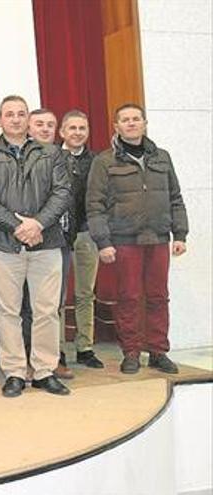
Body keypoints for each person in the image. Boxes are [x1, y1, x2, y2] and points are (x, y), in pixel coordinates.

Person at [0, 95, 71, 398]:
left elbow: (62, 192)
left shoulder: (52, 153)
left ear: (28, 119)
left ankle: (43, 371)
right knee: (7, 313)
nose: (15, 119)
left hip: (47, 243)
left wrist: (38, 224)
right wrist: (18, 227)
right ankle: (14, 372)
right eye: (9, 114)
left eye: (20, 114)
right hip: (3, 247)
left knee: (46, 311)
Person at [86, 103, 188, 375]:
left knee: (158, 297)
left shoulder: (162, 158)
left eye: (136, 119)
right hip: (123, 240)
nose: (131, 124)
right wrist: (103, 242)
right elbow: (94, 205)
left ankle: (158, 351)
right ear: (116, 127)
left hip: (157, 239)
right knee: (128, 297)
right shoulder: (104, 161)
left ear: (145, 124)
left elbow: (175, 198)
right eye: (125, 120)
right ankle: (130, 352)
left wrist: (180, 234)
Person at [24, 108, 74, 379]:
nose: (45, 129)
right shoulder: (18, 157)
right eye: (39, 124)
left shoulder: (60, 157)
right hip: (23, 238)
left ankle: (54, 358)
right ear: (28, 127)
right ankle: (29, 360)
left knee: (53, 305)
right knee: (25, 306)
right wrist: (34, 225)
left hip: (58, 240)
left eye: (50, 125)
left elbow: (66, 196)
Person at [59, 110, 104, 370]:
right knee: (57, 296)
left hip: (87, 233)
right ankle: (57, 350)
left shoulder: (97, 161)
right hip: (59, 235)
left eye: (82, 128)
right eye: (72, 128)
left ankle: (85, 347)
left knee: (85, 293)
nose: (77, 133)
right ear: (62, 132)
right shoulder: (50, 157)